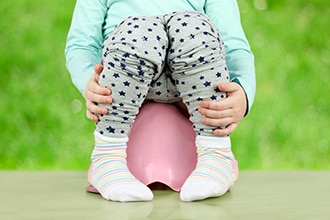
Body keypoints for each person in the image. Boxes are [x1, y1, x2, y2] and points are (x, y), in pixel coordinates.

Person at [65, 0, 255, 202]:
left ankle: (216, 153)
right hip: (128, 82)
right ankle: (107, 157)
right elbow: (81, 44)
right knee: (138, 31)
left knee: (191, 26)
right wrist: (89, 81)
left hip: (191, 83)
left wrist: (243, 92)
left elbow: (234, 46)